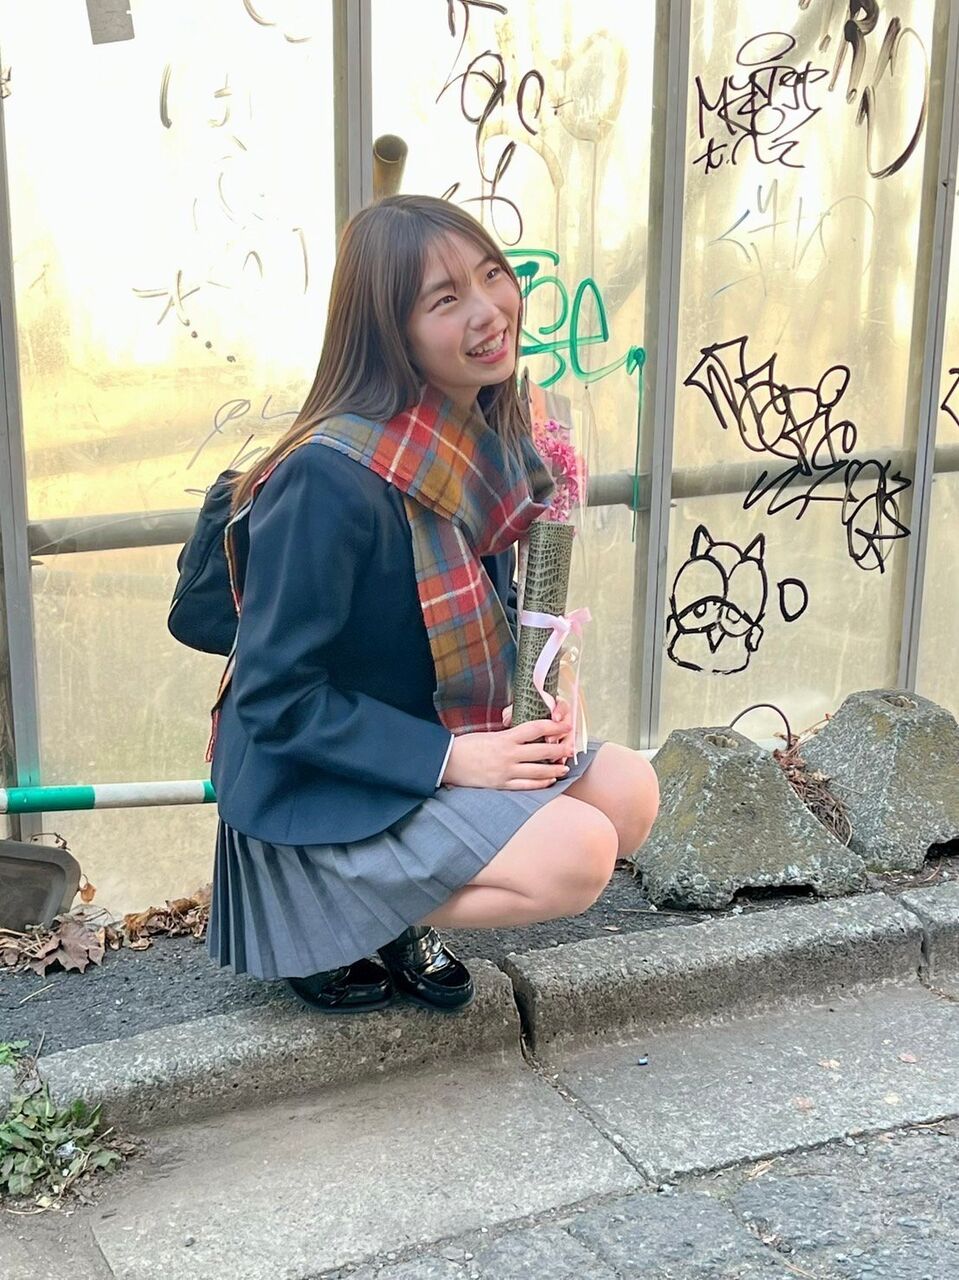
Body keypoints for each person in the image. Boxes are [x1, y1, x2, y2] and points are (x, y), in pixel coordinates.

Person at [206, 194, 659, 1015]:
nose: (488, 312)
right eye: (445, 299)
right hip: (319, 787)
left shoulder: (481, 429)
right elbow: (275, 698)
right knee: (579, 855)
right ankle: (332, 916)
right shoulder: (325, 478)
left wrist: (542, 697)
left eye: (491, 276)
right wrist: (453, 760)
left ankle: (390, 907)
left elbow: (494, 606)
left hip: (431, 737)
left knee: (628, 793)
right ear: (389, 330)